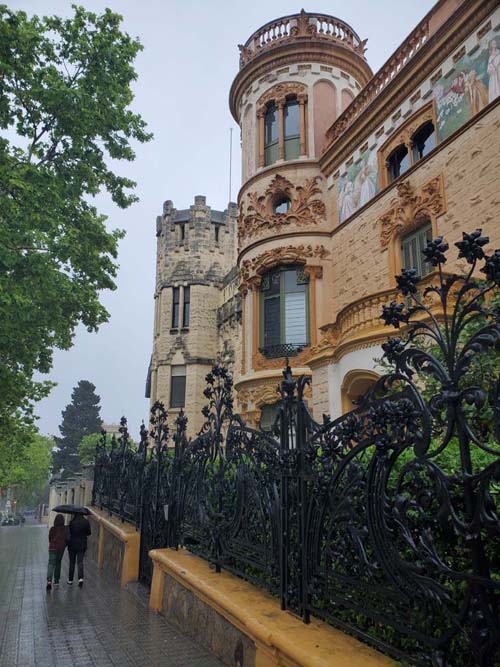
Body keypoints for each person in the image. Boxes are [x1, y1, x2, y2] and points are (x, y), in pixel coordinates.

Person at [67, 513, 91, 588]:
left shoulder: (72, 522)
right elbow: (89, 533)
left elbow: (69, 532)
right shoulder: (86, 522)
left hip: (72, 545)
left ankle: (70, 580)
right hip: (82, 545)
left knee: (72, 562)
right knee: (80, 562)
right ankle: (80, 578)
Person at [47, 514, 69, 591]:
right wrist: (65, 544)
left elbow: (49, 538)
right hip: (61, 548)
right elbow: (67, 539)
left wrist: (52, 543)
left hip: (52, 548)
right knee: (58, 563)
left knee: (51, 564)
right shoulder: (65, 529)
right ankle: (56, 581)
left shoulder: (52, 529)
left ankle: (49, 581)